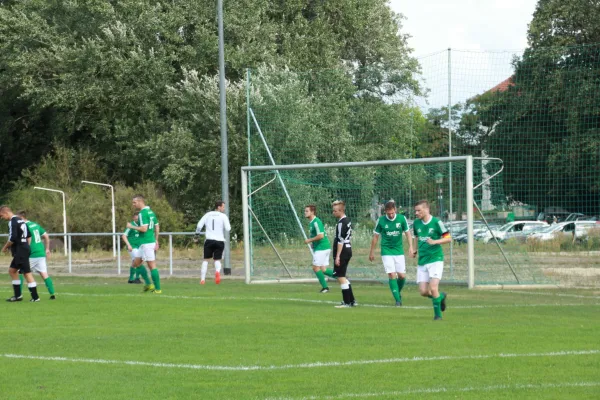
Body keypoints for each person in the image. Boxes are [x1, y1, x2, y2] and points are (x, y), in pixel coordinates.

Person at [410, 200, 451, 320]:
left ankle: (438, 316)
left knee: (433, 288)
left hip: (435, 259)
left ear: (426, 209)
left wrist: (435, 241)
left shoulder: (436, 222)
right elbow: (417, 237)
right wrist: (414, 249)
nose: (416, 213)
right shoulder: (416, 223)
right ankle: (441, 297)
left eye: (419, 210)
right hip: (422, 260)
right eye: (415, 211)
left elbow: (448, 238)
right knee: (423, 292)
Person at [368, 200, 414, 306]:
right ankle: (398, 300)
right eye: (389, 213)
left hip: (398, 250)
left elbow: (407, 233)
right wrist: (371, 252)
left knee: (402, 276)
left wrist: (411, 247)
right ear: (385, 212)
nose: (391, 215)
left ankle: (397, 292)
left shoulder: (402, 219)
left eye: (393, 213)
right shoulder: (381, 220)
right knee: (392, 274)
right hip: (386, 250)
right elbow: (375, 237)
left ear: (395, 210)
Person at [0, 206, 40, 302]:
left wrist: (4, 248)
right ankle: (20, 296)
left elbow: (12, 238)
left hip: (20, 250)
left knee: (24, 272)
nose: (2, 218)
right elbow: (29, 235)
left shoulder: (12, 222)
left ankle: (33, 297)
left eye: (1, 216)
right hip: (24, 249)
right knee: (14, 271)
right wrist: (26, 246)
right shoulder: (21, 220)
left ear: (6, 213)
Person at [16, 211, 56, 299]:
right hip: (41, 252)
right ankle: (52, 294)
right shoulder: (35, 225)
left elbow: (26, 240)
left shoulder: (24, 226)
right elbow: (46, 236)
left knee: (20, 271)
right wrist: (47, 249)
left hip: (32, 253)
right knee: (44, 273)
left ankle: (18, 294)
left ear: (22, 218)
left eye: (17, 219)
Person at [127, 195, 161, 293]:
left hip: (147, 243)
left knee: (152, 266)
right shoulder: (151, 212)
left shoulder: (142, 213)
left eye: (134, 202)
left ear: (140, 201)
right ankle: (148, 284)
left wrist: (131, 226)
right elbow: (157, 226)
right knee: (136, 263)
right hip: (146, 243)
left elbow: (144, 229)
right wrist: (156, 240)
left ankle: (158, 289)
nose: (133, 204)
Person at [195, 201, 231, 285]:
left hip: (209, 240)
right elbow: (228, 228)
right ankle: (217, 272)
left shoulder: (208, 214)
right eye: (223, 207)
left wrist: (196, 235)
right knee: (217, 259)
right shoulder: (223, 216)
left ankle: (202, 280)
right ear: (218, 207)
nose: (224, 208)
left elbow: (199, 225)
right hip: (220, 241)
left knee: (206, 260)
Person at [331, 200, 356, 308]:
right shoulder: (347, 220)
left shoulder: (341, 223)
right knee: (343, 276)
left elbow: (341, 240)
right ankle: (352, 300)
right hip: (348, 248)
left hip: (343, 250)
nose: (333, 213)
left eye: (335, 211)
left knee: (340, 276)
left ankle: (347, 302)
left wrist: (337, 256)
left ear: (341, 211)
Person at [303, 205, 333, 293]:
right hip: (323, 247)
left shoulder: (316, 221)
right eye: (305, 211)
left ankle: (325, 288)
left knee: (316, 268)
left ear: (312, 212)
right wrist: (313, 243)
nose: (305, 213)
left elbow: (321, 235)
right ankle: (342, 277)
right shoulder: (312, 222)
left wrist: (309, 240)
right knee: (323, 269)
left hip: (322, 248)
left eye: (307, 211)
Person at [122, 212, 142, 284]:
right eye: (136, 218)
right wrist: (129, 245)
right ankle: (137, 278)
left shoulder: (141, 225)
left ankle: (131, 279)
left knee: (135, 262)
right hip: (132, 247)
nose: (137, 220)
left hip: (139, 247)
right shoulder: (131, 225)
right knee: (138, 260)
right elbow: (124, 236)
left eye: (138, 218)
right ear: (133, 218)